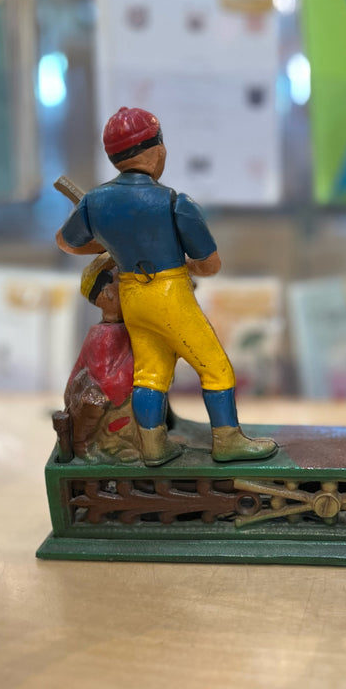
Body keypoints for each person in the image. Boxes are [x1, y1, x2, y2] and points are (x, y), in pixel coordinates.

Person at [56, 106, 277, 466]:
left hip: (132, 295)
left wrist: (109, 244)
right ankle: (227, 441)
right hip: (169, 293)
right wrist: (187, 266)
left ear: (114, 157)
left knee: (151, 373)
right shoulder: (176, 203)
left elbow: (66, 242)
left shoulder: (94, 202)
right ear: (157, 150)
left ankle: (154, 446)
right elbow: (210, 265)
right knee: (215, 367)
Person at [62, 253, 141, 463]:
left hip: (121, 395)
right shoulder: (104, 334)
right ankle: (83, 443)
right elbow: (105, 379)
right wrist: (141, 364)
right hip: (102, 395)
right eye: (120, 281)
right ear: (108, 293)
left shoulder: (125, 328)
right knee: (95, 399)